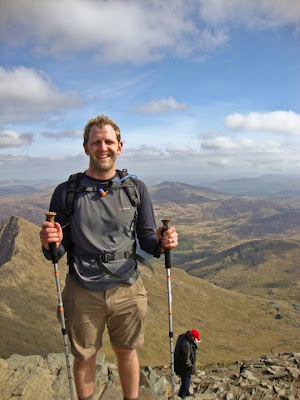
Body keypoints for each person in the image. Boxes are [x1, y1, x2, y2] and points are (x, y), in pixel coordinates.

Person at [39, 114, 178, 400]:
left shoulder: (135, 189)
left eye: (108, 141)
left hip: (127, 287)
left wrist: (164, 244)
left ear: (120, 146)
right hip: (82, 288)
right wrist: (49, 243)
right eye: (96, 142)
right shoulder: (66, 193)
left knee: (127, 351)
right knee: (85, 355)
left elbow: (148, 240)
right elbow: (58, 251)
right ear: (85, 147)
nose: (103, 147)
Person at [174, 330, 201, 399]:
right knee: (186, 382)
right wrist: (191, 367)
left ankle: (187, 394)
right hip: (184, 367)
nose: (195, 341)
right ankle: (182, 396)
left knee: (186, 382)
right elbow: (186, 359)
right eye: (194, 339)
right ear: (192, 337)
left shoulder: (184, 339)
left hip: (181, 365)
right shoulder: (186, 344)